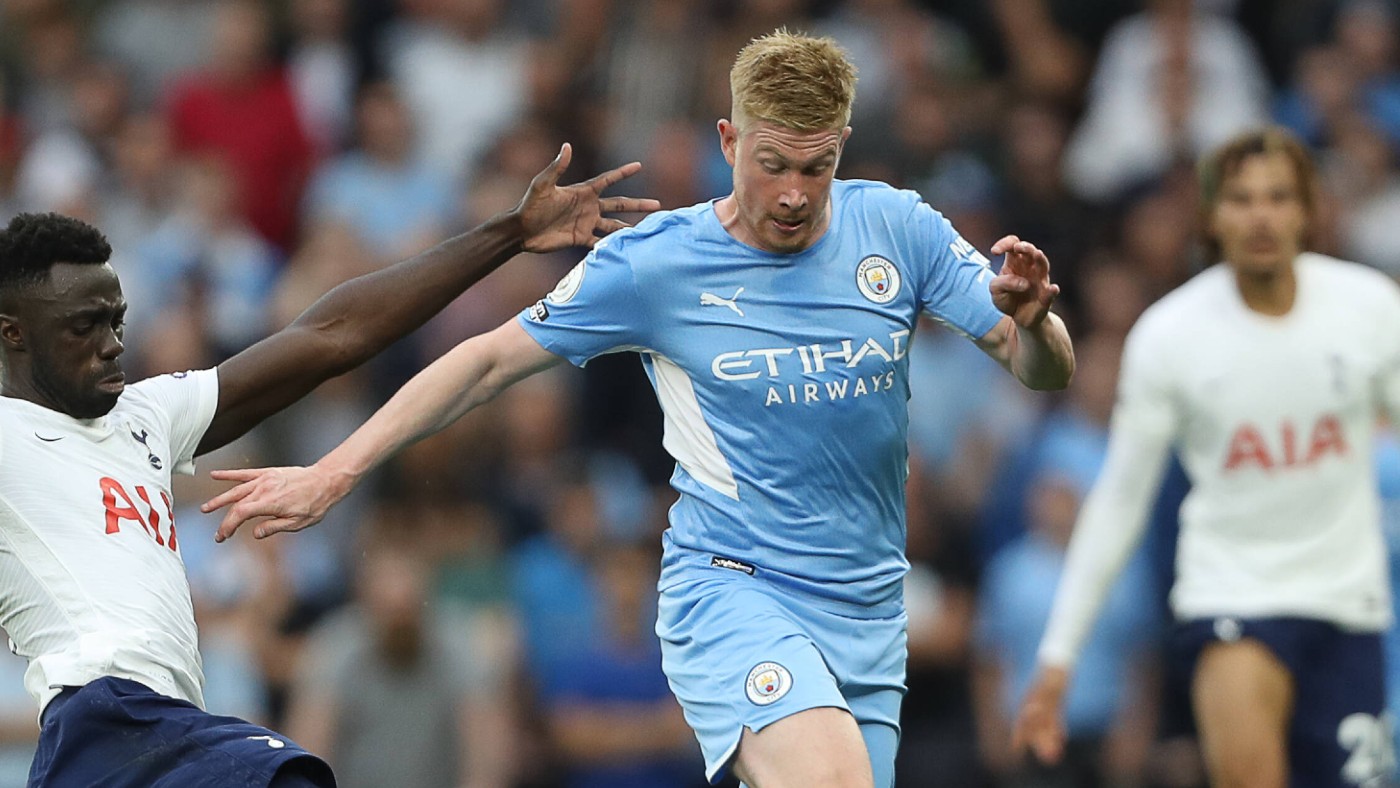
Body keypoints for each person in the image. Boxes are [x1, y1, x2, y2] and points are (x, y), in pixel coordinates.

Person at [204, 30, 1075, 788]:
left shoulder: (898, 228)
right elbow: (486, 361)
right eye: (772, 164)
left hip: (869, 612)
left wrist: (1037, 324)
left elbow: (1039, 368)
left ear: (843, 146)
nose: (794, 193)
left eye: (817, 167)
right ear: (728, 139)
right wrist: (335, 472)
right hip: (736, 590)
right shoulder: (658, 262)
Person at [0, 144, 657, 787]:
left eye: (116, 321)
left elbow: (332, 334)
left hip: (152, 738)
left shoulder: (146, 413)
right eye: (84, 327)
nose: (113, 344)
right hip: (106, 720)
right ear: (13, 333)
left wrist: (508, 234)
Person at [1013, 127, 1400, 786]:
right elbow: (1120, 499)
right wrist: (1057, 657)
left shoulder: (1369, 310)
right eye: (1241, 199)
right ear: (1212, 217)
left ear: (1307, 210)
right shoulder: (1171, 336)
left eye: (1278, 197)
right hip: (1231, 598)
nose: (1260, 216)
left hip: (1348, 608)